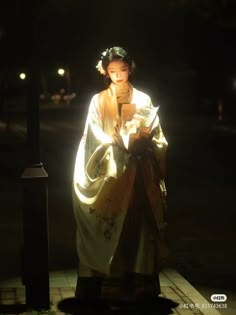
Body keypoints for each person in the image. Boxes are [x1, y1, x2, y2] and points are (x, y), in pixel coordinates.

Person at [72, 46, 169, 302]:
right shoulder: (98, 100)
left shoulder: (144, 98)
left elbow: (157, 135)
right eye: (112, 71)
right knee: (114, 224)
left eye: (123, 70)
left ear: (130, 69)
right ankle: (109, 283)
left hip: (138, 173)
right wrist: (116, 142)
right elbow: (93, 134)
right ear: (105, 71)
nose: (118, 76)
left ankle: (138, 283)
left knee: (138, 227)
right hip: (112, 172)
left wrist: (144, 140)